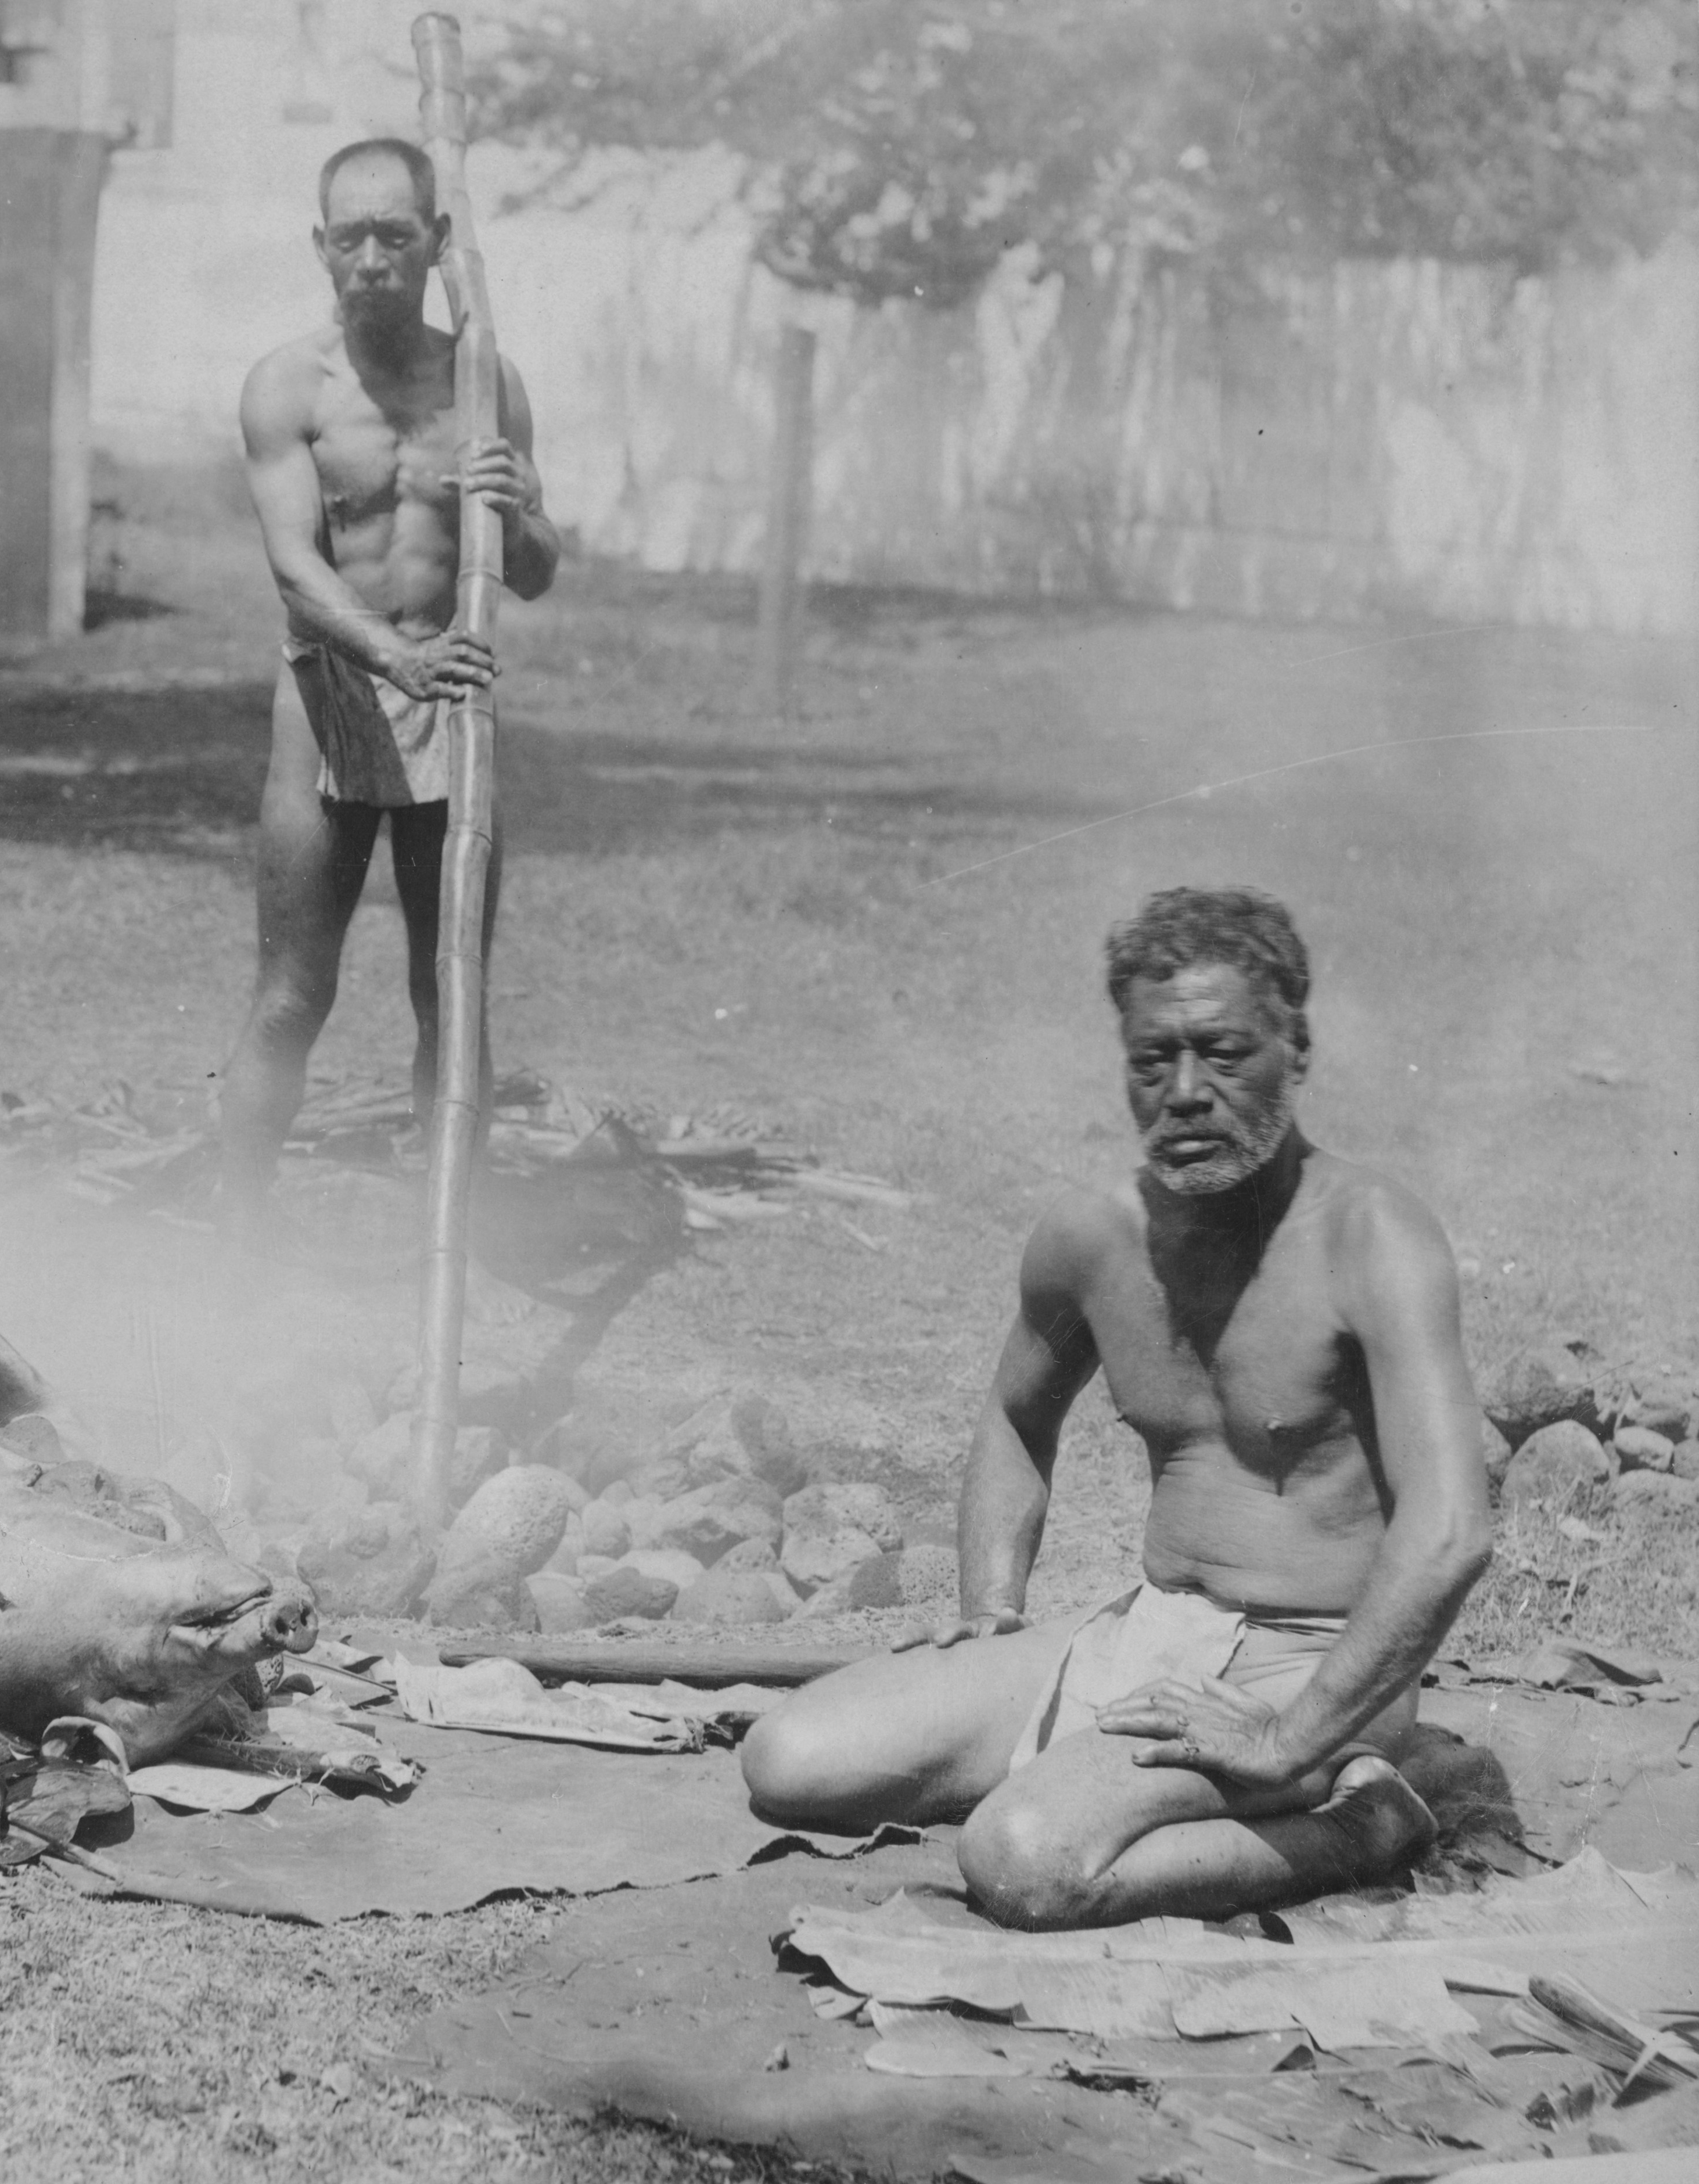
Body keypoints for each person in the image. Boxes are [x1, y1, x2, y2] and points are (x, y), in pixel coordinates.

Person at [742, 888, 1490, 1928]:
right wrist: (988, 1608)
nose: (1185, 1092)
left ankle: (1366, 1818)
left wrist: (1287, 1739)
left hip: (1308, 1670)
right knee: (789, 1760)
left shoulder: (1373, 1239)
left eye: (1223, 1053)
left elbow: (1450, 1533)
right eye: (1153, 1060)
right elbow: (1015, 1416)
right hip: (1142, 1638)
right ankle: (1118, 1779)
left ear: (1298, 1048)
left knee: (1022, 1859)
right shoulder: (1093, 1239)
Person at [217, 138, 561, 1252]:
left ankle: (445, 1244)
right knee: (291, 998)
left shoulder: (486, 379)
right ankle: (237, 1230)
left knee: (450, 995)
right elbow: (293, 568)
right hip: (327, 701)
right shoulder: (288, 385)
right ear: (321, 245)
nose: (371, 258)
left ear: (436, 245)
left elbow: (541, 568)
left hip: (451, 704)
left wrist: (511, 515)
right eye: (350, 237)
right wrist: (391, 659)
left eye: (395, 236)